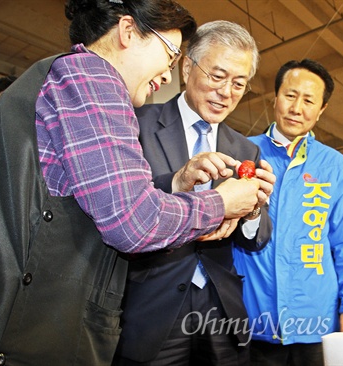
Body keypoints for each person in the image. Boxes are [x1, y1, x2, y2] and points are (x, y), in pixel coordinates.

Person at [0, 1, 261, 364]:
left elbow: (95, 201)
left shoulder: (67, 77)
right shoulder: (93, 77)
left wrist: (175, 184)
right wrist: (222, 203)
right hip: (29, 330)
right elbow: (134, 222)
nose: (167, 72)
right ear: (128, 31)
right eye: (170, 54)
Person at [113, 20, 275, 366]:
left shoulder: (245, 148)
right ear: (187, 67)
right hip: (151, 307)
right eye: (217, 76)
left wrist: (252, 211)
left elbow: (256, 240)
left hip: (222, 310)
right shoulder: (135, 123)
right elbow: (123, 207)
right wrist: (176, 181)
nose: (226, 92)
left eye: (239, 83)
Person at [233, 59, 343, 366]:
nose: (297, 108)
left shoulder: (334, 165)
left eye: (309, 100)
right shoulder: (242, 153)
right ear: (275, 98)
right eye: (290, 96)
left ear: (321, 110)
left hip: (317, 318)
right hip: (254, 316)